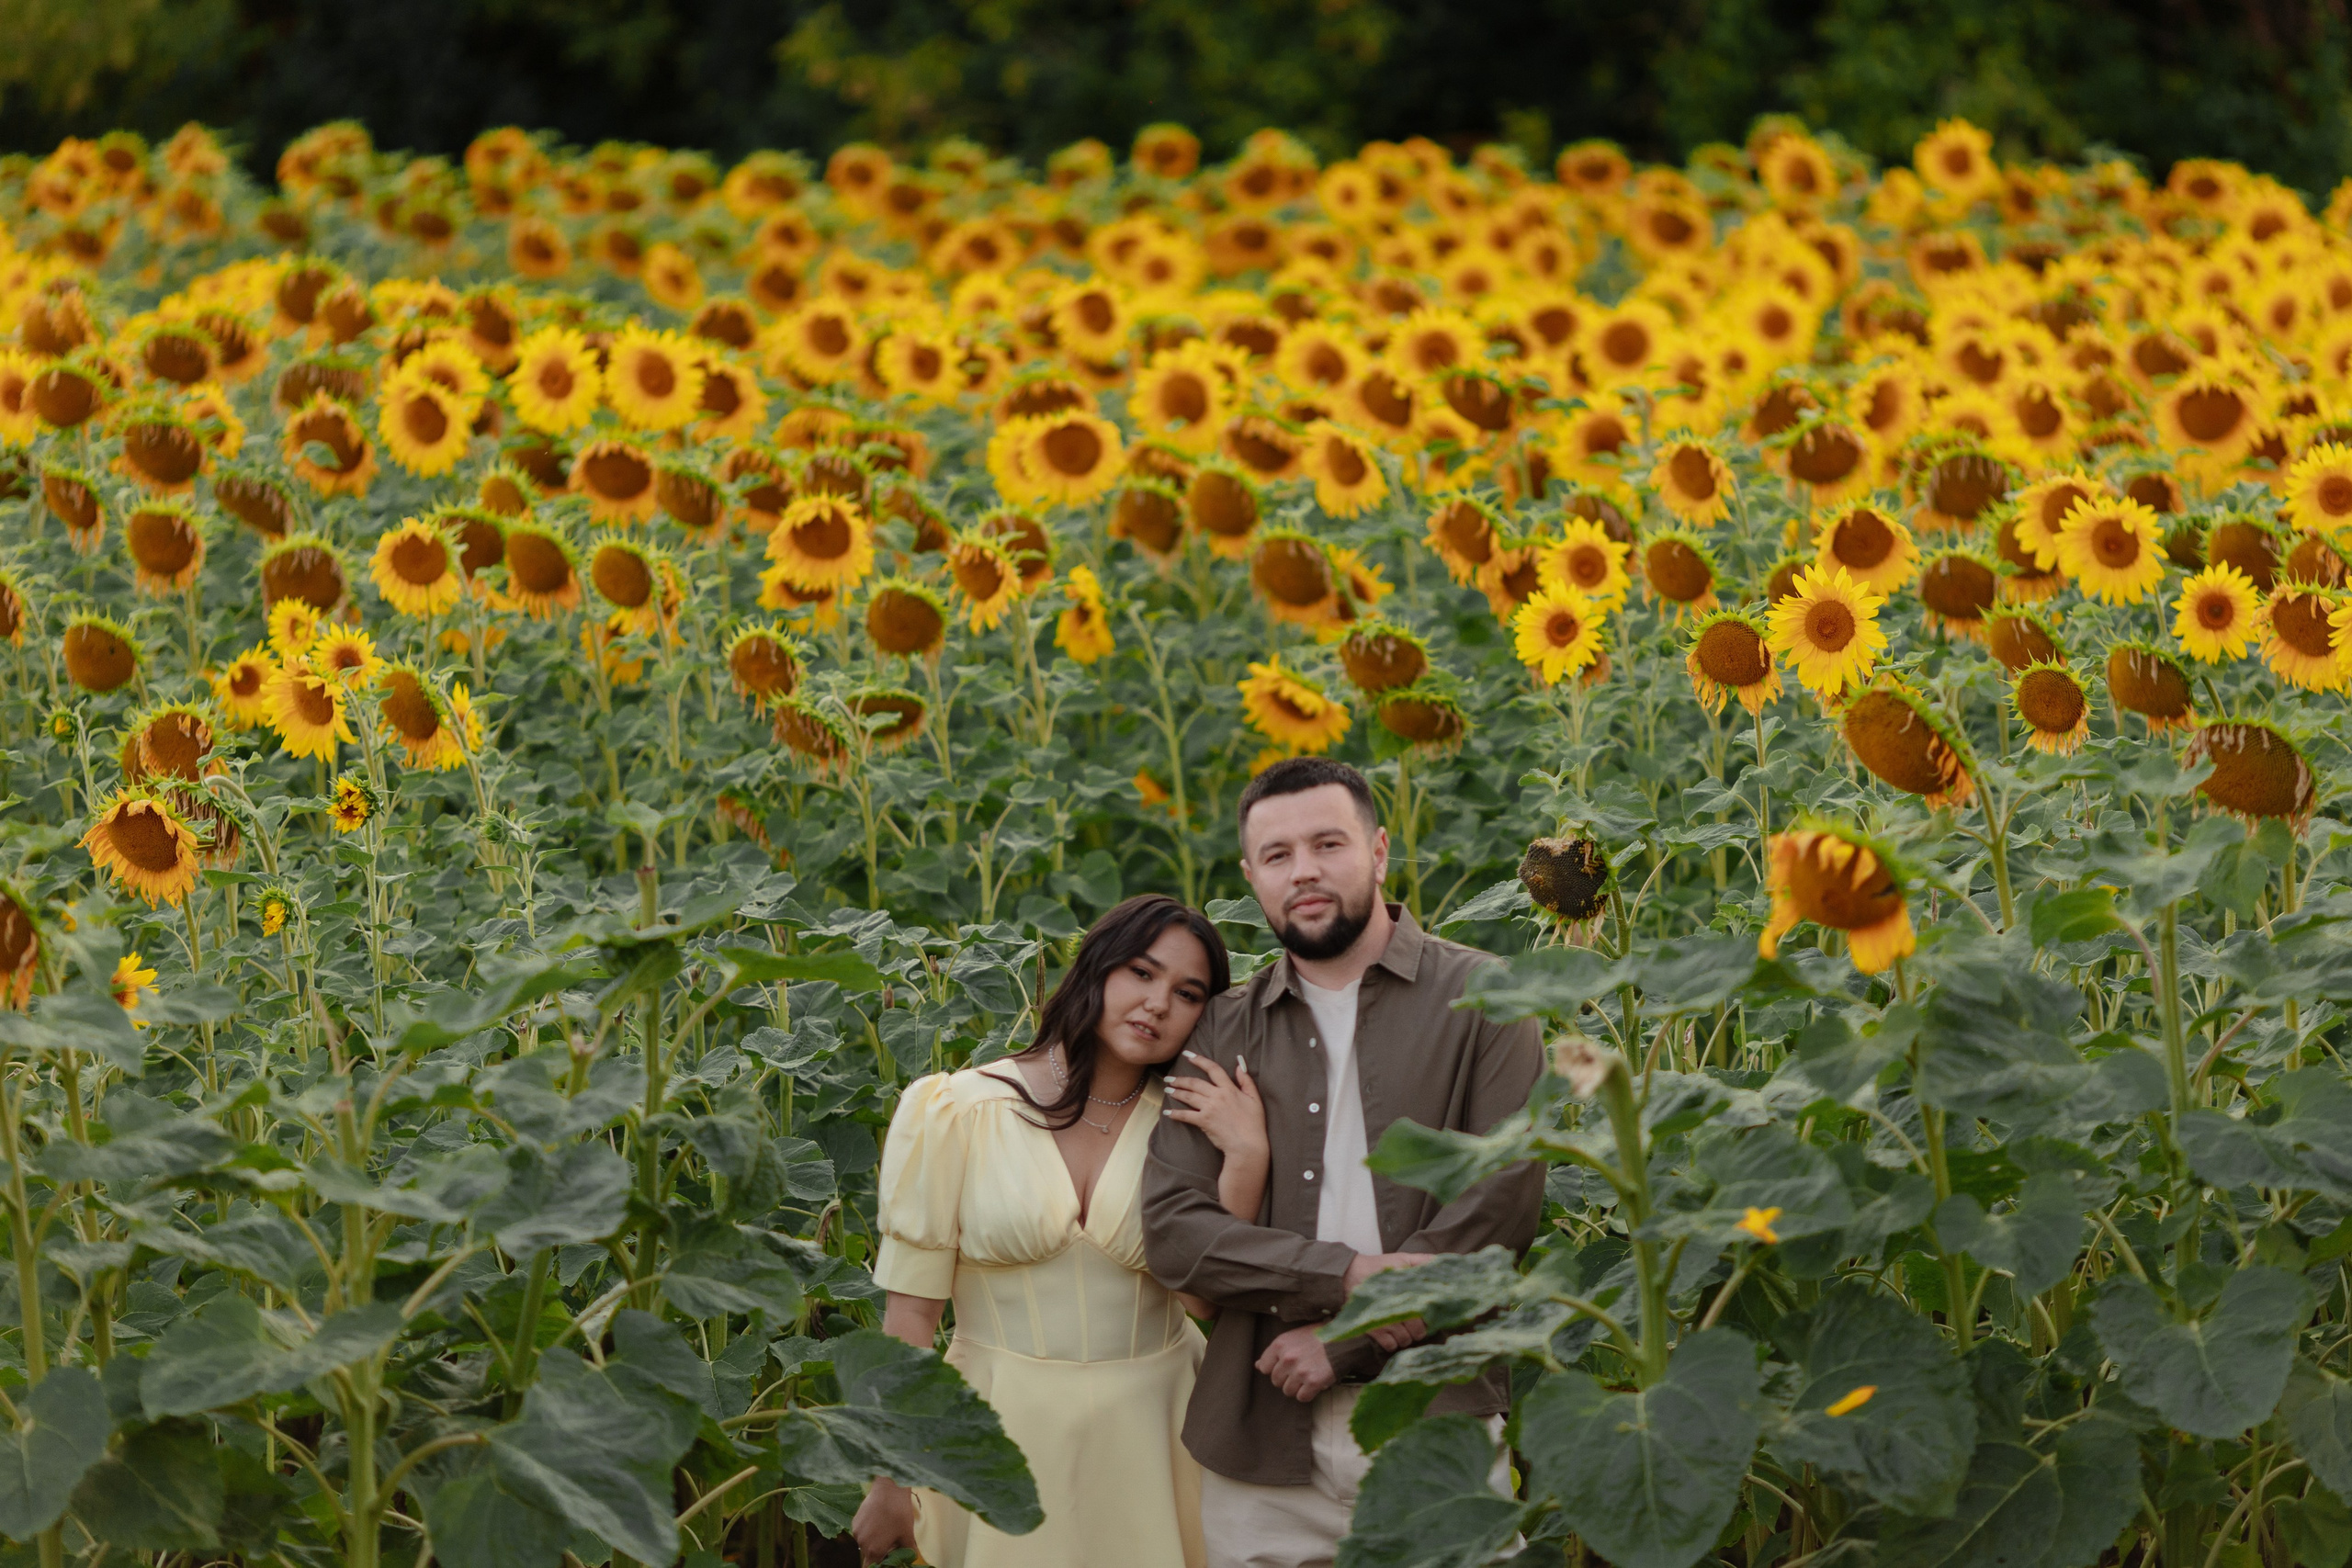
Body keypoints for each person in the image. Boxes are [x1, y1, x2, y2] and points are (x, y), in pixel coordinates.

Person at [1143, 757, 1545, 1568]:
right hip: (1259, 1440)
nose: (1306, 871)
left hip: (1435, 1420)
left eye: (1328, 843)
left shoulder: (1487, 999)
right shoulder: (1222, 1027)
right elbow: (1175, 1233)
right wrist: (1349, 1275)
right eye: (1279, 855)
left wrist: (1347, 1334)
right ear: (1253, 876)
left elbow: (1499, 1213)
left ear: (1379, 850)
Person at [854, 893, 1258, 1568]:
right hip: (1000, 1423)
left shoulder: (1190, 1122)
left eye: (1187, 992)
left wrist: (1245, 1154)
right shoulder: (958, 1109)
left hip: (1159, 1429)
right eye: (1141, 971)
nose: (1158, 1002)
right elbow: (912, 1316)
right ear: (1096, 968)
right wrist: (888, 1476)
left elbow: (1206, 1299)